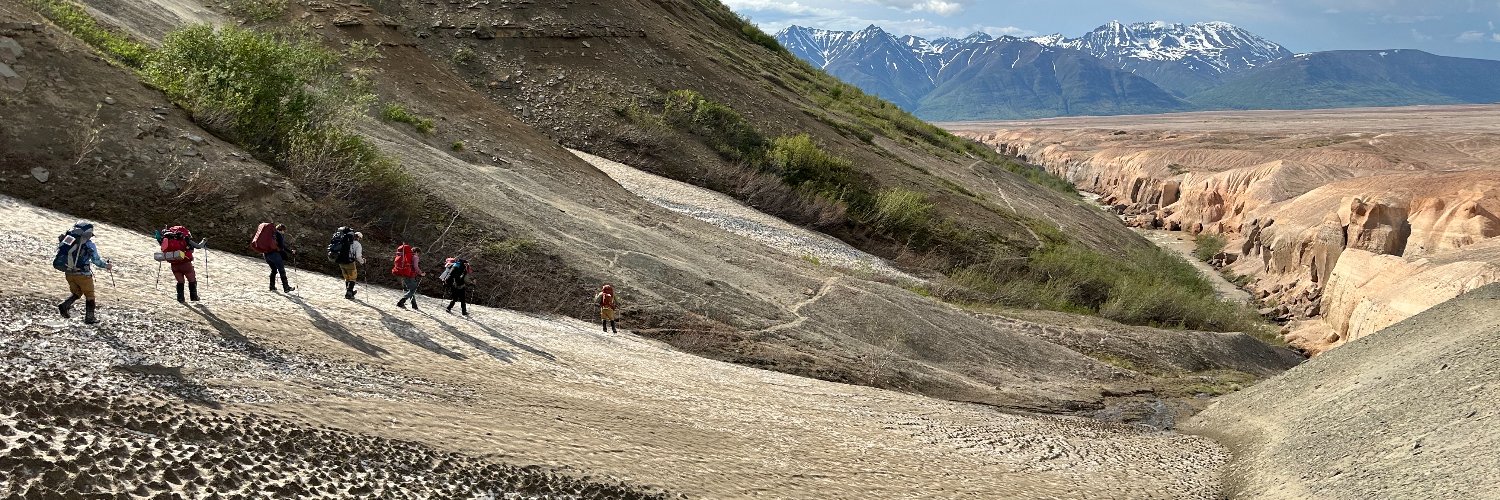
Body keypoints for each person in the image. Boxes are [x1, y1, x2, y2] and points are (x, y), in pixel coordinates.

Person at [53, 220, 112, 324]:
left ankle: (65, 306)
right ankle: (90, 318)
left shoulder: (68, 239)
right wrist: (106, 265)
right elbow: (96, 260)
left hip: (68, 272)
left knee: (77, 292)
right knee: (90, 295)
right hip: (83, 274)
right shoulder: (89, 244)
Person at [156, 225, 207, 303]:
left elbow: (163, 249)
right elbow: (198, 246)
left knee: (180, 281)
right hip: (185, 263)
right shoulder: (185, 238)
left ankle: (180, 298)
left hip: (174, 264)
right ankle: (194, 297)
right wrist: (204, 241)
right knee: (192, 280)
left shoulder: (166, 239)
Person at [261, 224, 296, 293]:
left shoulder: (270, 234)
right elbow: (282, 247)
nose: (284, 232)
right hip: (275, 255)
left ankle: (272, 287)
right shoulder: (279, 235)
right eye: (284, 231)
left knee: (274, 270)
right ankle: (286, 287)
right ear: (282, 230)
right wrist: (291, 251)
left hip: (266, 255)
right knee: (281, 270)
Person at [394, 245, 424, 310]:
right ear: (416, 252)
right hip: (411, 275)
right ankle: (401, 302)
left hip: (404, 273)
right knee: (413, 289)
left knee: (410, 290)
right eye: (418, 253)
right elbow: (415, 266)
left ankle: (414, 305)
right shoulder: (415, 257)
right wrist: (421, 273)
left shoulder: (407, 256)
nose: (419, 255)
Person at [339, 231, 366, 300]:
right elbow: (358, 256)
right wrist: (362, 262)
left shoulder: (346, 241)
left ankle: (349, 291)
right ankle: (349, 293)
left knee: (347, 277)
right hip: (350, 262)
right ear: (359, 238)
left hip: (341, 261)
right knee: (353, 277)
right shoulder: (357, 244)